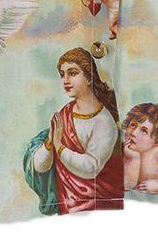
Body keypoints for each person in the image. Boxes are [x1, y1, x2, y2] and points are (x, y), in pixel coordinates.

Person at [24, 47, 124, 214]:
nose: (65, 80)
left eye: (72, 73)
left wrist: (59, 146)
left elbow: (91, 167)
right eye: (62, 74)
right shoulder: (65, 114)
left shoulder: (104, 122)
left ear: (89, 77)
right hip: (68, 205)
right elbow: (40, 167)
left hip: (100, 205)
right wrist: (50, 143)